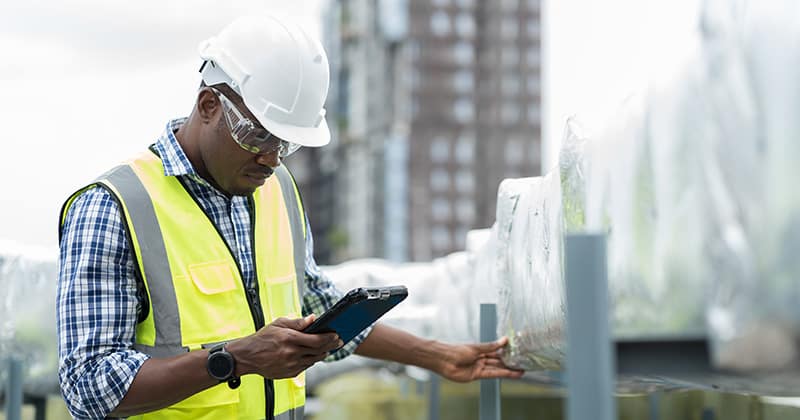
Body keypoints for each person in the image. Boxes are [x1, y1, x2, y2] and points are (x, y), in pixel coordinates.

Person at [57, 14, 523, 420]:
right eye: (259, 136)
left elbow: (318, 307)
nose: (272, 159)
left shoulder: (276, 190)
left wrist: (439, 357)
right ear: (208, 106)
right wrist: (235, 360)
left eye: (286, 143)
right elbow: (87, 385)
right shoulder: (114, 207)